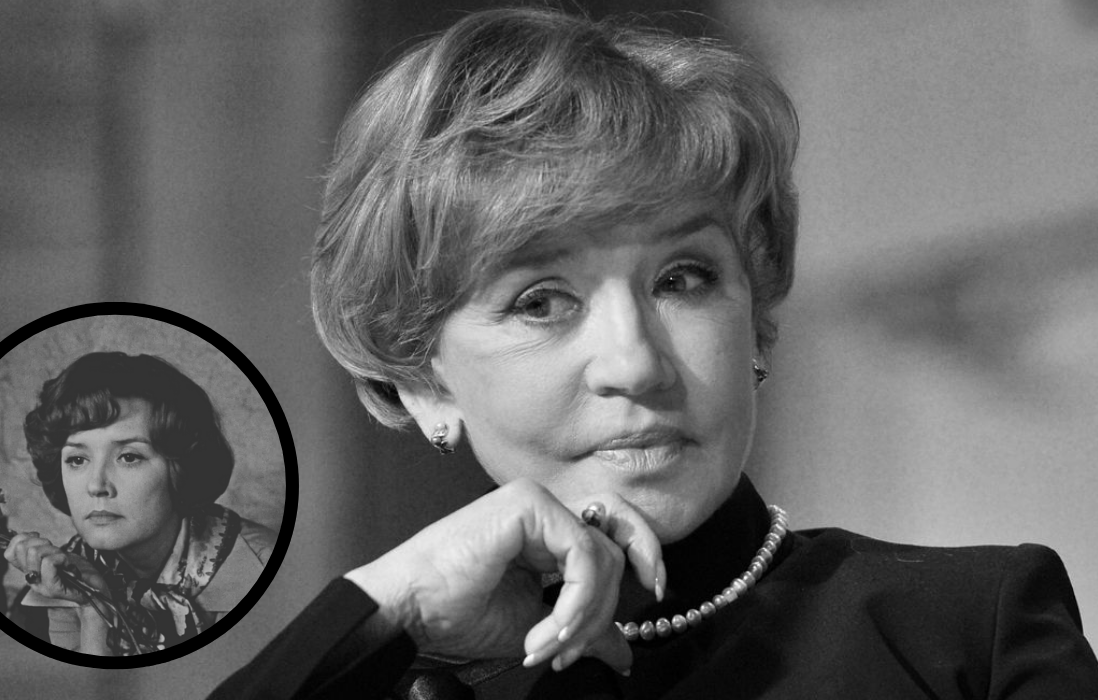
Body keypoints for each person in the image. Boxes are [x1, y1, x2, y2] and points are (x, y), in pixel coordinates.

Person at [210, 8, 1098, 698]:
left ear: (755, 318)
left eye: (683, 279)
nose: (636, 364)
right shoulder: (392, 687)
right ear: (422, 382)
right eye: (541, 301)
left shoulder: (966, 629)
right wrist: (387, 607)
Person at [5, 351, 275, 655]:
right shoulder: (63, 578)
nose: (96, 485)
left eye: (129, 457)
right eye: (77, 459)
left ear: (181, 468)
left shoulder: (265, 570)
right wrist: (94, 610)